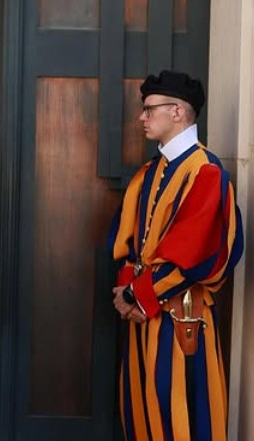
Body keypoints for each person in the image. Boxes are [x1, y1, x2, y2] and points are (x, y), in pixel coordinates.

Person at [108, 70, 243, 440]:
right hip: (142, 317)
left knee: (180, 421)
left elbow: (194, 254)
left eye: (150, 109)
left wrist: (135, 295)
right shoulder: (149, 172)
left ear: (178, 112)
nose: (142, 117)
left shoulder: (206, 172)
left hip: (182, 319)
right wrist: (127, 296)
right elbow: (126, 241)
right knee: (141, 418)